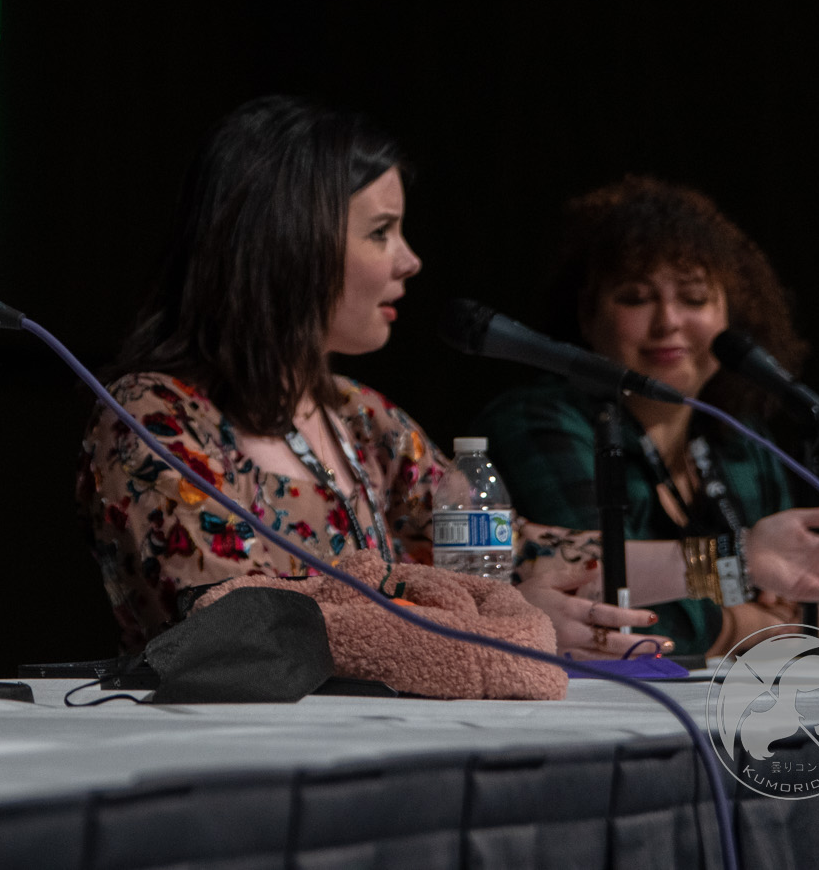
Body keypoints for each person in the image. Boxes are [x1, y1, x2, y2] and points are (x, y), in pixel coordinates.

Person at [77, 95, 658, 660]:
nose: (410, 260)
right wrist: (497, 623)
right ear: (290, 242)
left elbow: (515, 551)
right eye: (381, 232)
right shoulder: (153, 416)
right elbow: (236, 622)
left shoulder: (360, 416)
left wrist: (711, 564)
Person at [480, 177, 819, 658]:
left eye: (694, 298)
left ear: (729, 317)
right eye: (636, 298)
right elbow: (595, 593)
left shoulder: (739, 440)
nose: (668, 322)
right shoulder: (540, 422)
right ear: (587, 315)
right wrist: (741, 624)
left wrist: (809, 616)